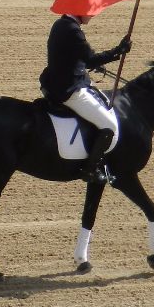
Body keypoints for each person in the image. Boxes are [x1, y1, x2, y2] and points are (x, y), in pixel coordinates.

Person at [40, 13, 131, 184]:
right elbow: (90, 59)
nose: (92, 15)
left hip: (55, 83)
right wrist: (118, 50)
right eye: (90, 12)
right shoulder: (74, 31)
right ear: (79, 11)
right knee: (109, 126)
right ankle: (90, 169)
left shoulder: (60, 24)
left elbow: (71, 57)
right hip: (69, 90)